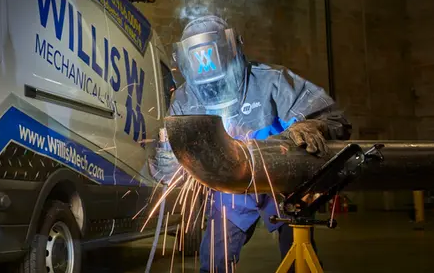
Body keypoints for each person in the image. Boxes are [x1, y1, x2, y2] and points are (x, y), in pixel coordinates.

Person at [149, 15, 352, 273]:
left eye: (222, 82)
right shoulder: (185, 97)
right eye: (208, 88)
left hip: (280, 183)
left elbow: (335, 119)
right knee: (214, 259)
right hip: (232, 186)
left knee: (298, 254)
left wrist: (313, 125)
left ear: (235, 55)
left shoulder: (272, 81)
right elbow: (172, 161)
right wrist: (170, 162)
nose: (216, 92)